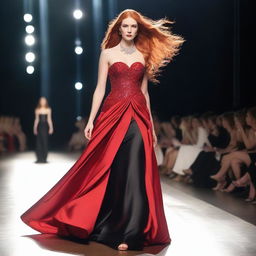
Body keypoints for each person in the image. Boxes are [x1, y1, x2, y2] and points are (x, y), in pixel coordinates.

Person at [20, 9, 184, 251]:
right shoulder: (107, 54)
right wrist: (91, 120)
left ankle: (132, 232)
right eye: (126, 26)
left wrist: (151, 126)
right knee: (114, 171)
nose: (129, 30)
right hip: (113, 114)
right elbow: (99, 89)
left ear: (137, 30)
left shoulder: (143, 54)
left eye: (133, 27)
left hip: (137, 114)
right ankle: (112, 226)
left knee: (136, 173)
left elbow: (146, 93)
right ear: (119, 29)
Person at [33, 97, 54, 163]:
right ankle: (39, 158)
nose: (43, 102)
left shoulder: (48, 109)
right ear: (40, 102)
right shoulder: (37, 109)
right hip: (39, 126)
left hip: (45, 126)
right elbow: (36, 119)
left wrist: (51, 128)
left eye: (44, 101)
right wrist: (35, 128)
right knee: (38, 142)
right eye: (41, 101)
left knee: (45, 141)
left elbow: (49, 119)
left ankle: (44, 158)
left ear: (46, 102)